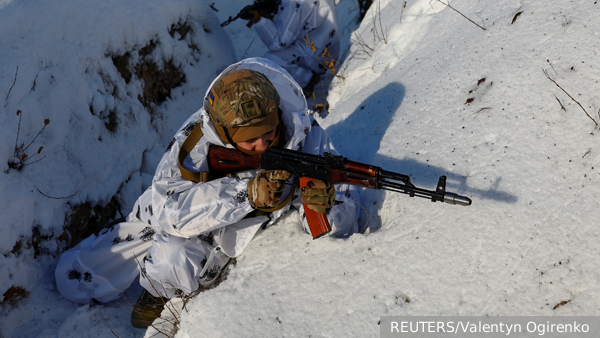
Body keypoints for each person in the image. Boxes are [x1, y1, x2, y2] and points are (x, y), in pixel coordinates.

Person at [54, 58, 362, 328]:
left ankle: (170, 295)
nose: (263, 146)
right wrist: (247, 192)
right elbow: (167, 211)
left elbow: (345, 208)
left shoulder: (304, 132)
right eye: (250, 142)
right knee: (74, 279)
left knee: (175, 256)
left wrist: (326, 208)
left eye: (269, 133)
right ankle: (156, 288)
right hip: (175, 216)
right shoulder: (197, 140)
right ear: (226, 136)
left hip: (240, 234)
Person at [242, 0, 340, 95]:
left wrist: (259, 20)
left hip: (315, 55)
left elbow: (278, 42)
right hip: (327, 47)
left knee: (267, 65)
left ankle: (307, 79)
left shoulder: (294, 3)